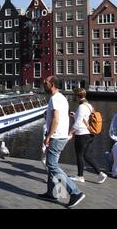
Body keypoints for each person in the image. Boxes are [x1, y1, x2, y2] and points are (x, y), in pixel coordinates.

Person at [38, 76, 85, 208]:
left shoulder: (55, 99)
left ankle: (75, 192)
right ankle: (53, 193)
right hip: (60, 135)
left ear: (52, 84)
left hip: (57, 137)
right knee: (52, 164)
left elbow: (56, 120)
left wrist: (48, 136)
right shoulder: (61, 98)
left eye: (45, 82)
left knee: (52, 165)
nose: (44, 84)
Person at [68, 88, 107, 184]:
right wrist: (75, 115)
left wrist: (70, 132)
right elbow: (84, 118)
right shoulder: (89, 105)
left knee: (79, 155)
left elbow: (78, 123)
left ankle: (80, 176)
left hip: (82, 134)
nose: (74, 97)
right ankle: (100, 173)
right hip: (90, 134)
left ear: (77, 96)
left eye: (74, 95)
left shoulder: (81, 107)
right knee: (86, 155)